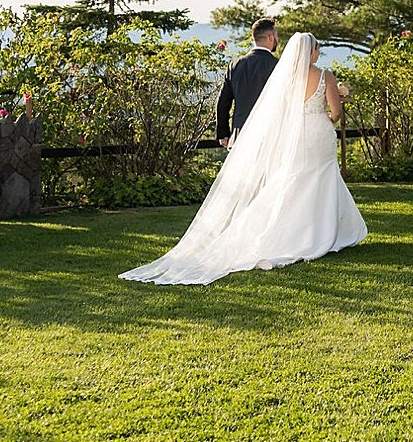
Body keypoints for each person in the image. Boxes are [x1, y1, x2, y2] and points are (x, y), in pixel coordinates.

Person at [121, 31, 366, 288]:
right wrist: (336, 99)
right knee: (322, 179)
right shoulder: (325, 75)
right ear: (312, 51)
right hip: (318, 132)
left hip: (296, 135)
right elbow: (336, 113)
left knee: (294, 182)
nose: (318, 53)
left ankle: (292, 233)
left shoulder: (287, 77)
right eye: (317, 48)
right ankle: (324, 233)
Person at [215, 18, 282, 145]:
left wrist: (223, 133)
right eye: (276, 36)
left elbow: (223, 102)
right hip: (270, 135)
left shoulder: (234, 65)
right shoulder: (278, 66)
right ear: (271, 37)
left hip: (240, 134)